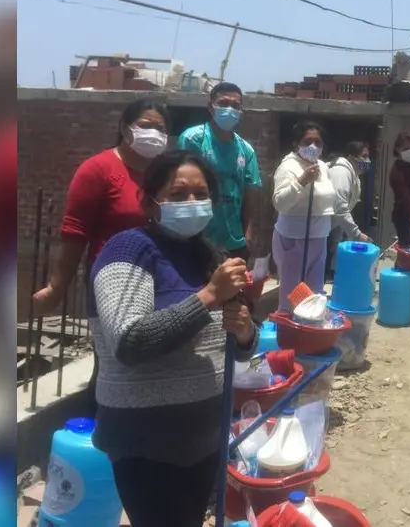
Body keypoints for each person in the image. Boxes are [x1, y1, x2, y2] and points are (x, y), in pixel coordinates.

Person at [88, 150, 257, 526]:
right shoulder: (128, 249)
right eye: (178, 195)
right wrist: (209, 296)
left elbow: (239, 344)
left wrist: (245, 329)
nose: (191, 203)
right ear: (149, 202)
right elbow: (130, 341)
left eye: (201, 194)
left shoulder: (208, 255)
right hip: (146, 443)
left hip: (202, 439)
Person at [32, 98, 171, 315]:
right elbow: (75, 233)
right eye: (145, 126)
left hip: (161, 281)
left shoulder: (167, 174)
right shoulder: (98, 169)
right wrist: (56, 287)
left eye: (159, 129)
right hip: (113, 282)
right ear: (124, 128)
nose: (153, 133)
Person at [177, 82, 262, 260]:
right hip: (198, 238)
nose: (229, 109)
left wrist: (248, 234)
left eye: (235, 106)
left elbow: (250, 196)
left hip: (234, 243)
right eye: (223, 103)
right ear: (211, 107)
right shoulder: (193, 139)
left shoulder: (246, 150)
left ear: (241, 111)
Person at [271, 121, 336, 312]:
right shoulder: (288, 167)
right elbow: (280, 203)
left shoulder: (322, 167)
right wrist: (301, 181)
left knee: (313, 295)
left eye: (318, 142)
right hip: (294, 240)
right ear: (295, 144)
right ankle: (288, 334)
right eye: (308, 142)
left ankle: (309, 332)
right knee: (293, 295)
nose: (313, 147)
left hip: (319, 237)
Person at [326, 141, 372, 278]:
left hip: (329, 228)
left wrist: (339, 237)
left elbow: (344, 210)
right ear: (352, 157)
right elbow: (340, 207)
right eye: (364, 156)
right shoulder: (341, 173)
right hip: (319, 227)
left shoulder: (353, 175)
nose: (367, 161)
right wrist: (357, 234)